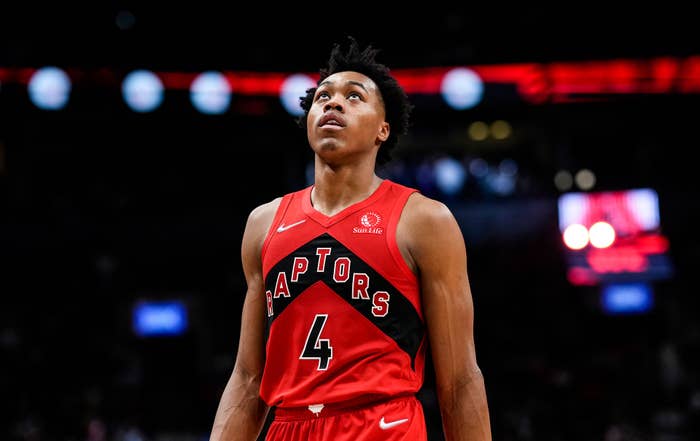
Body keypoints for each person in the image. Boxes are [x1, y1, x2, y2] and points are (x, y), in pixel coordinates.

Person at [209, 36, 491, 441]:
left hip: (383, 424)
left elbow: (460, 380)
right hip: (289, 426)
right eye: (323, 96)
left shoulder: (424, 220)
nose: (333, 103)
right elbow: (249, 377)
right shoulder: (263, 223)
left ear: (383, 129)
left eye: (354, 96)